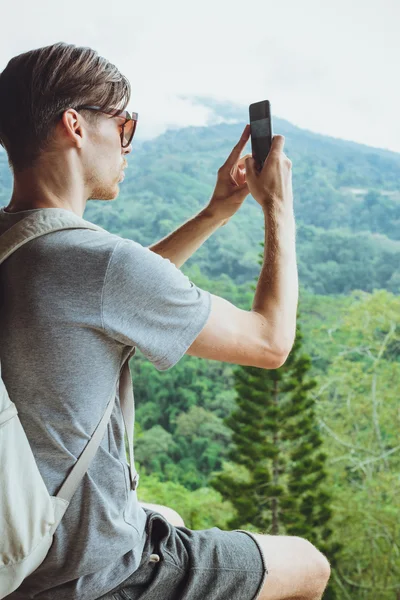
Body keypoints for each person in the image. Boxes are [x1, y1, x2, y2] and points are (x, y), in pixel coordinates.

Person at [0, 42, 330, 600]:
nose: (128, 144)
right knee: (307, 564)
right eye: (124, 125)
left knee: (168, 512)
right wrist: (278, 207)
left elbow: (108, 294)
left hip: (22, 546)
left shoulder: (20, 243)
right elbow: (271, 342)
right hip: (93, 570)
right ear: (75, 126)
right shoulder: (98, 262)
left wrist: (213, 214)